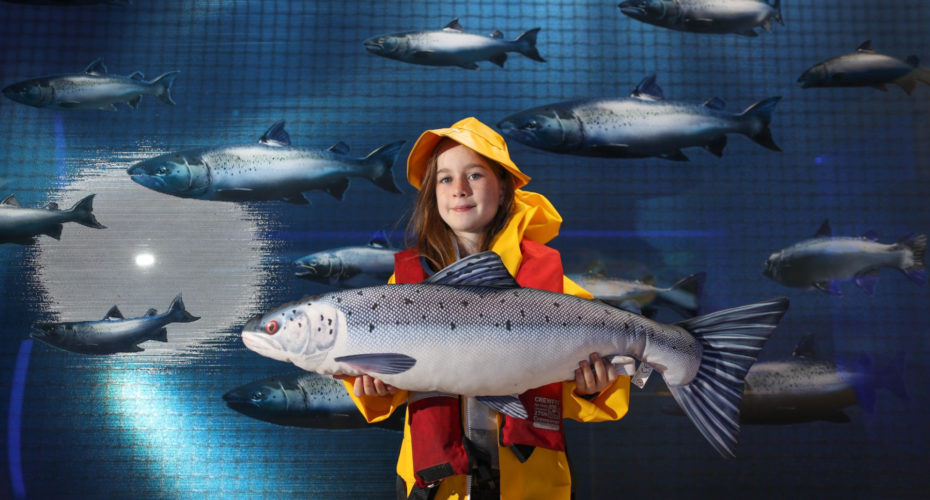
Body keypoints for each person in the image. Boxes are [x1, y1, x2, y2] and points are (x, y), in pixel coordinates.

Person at [340, 117, 631, 499]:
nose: (459, 189)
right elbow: (385, 387)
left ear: (505, 186)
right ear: (432, 194)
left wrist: (594, 389)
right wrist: (372, 390)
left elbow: (596, 383)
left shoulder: (553, 289)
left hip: (532, 486)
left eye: (474, 175)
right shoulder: (405, 289)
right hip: (438, 487)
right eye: (444, 179)